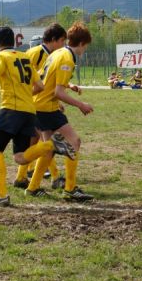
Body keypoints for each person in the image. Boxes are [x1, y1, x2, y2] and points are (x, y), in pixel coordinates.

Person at [0, 26, 76, 206]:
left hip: (10, 110)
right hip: (29, 111)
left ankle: (2, 195)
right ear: (13, 41)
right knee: (21, 157)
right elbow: (40, 86)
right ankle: (52, 144)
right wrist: (25, 94)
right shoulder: (24, 58)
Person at [24, 22, 95, 201]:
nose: (84, 50)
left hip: (41, 105)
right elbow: (58, 92)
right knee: (74, 141)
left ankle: (33, 188)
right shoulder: (67, 58)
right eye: (85, 46)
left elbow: (45, 80)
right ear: (81, 43)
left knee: (50, 149)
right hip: (46, 107)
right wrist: (81, 105)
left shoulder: (57, 53)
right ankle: (70, 189)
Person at [14, 23, 68, 190]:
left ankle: (21, 177)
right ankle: (55, 177)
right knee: (48, 141)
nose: (64, 45)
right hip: (33, 105)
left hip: (39, 103)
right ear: (53, 40)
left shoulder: (51, 56)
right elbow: (26, 80)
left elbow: (46, 81)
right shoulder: (35, 54)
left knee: (35, 142)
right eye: (62, 41)